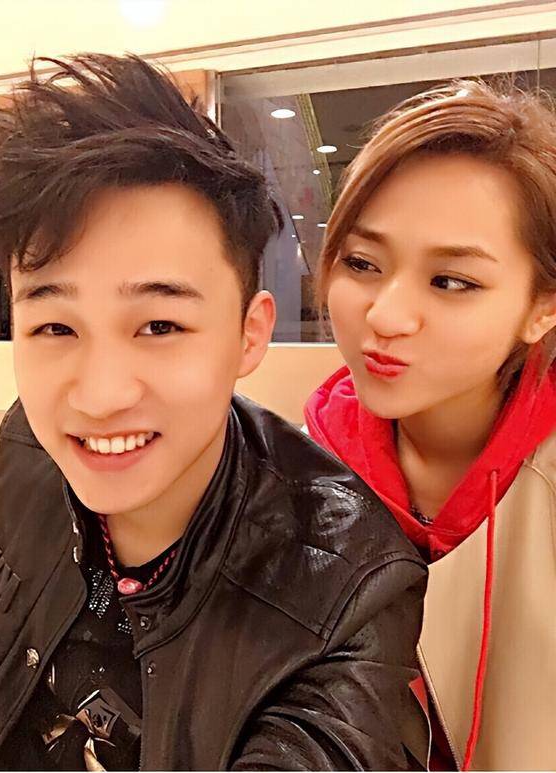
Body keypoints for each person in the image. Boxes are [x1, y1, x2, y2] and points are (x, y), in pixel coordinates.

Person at [0, 53, 429, 771]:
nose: (98, 397)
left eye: (159, 326)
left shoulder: (348, 584)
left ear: (249, 333)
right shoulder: (30, 441)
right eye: (55, 326)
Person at [304, 78, 556, 771]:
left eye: (450, 281)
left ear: (542, 307)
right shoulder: (296, 481)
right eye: (362, 263)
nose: (385, 315)